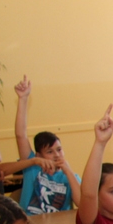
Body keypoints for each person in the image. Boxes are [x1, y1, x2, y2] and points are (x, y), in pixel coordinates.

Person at [13, 76, 81, 215]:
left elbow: (82, 203)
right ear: (39, 155)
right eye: (49, 152)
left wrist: (68, 171)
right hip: (31, 223)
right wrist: (23, 99)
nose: (56, 155)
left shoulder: (71, 177)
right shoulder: (32, 167)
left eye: (59, 150)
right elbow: (21, 135)